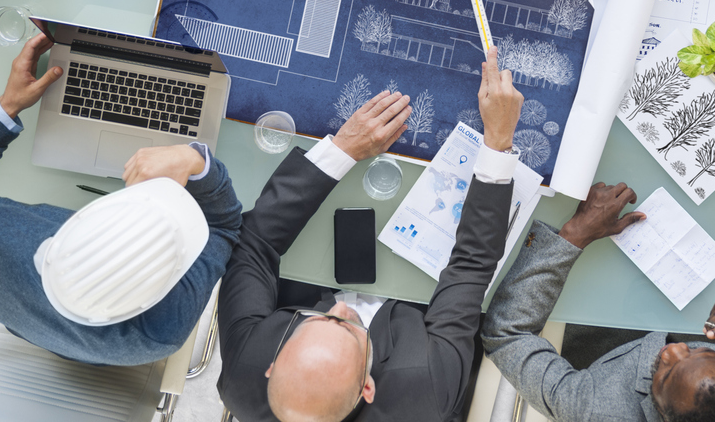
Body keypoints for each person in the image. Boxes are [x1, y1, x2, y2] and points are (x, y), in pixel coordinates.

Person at [217, 47, 524, 422]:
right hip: (423, 293)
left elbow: (253, 243)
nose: (339, 307)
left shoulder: (244, 371)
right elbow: (472, 266)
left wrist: (341, 150)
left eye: (317, 320)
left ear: (271, 367)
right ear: (368, 387)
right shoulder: (424, 391)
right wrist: (498, 143)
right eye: (346, 327)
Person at [0, 34, 242, 365]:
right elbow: (224, 226)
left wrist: (8, 106)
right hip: (70, 343)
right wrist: (195, 162)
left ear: (50, 245)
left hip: (35, 322)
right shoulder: (164, 331)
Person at [483, 182, 715, 422]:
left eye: (665, 377)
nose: (672, 351)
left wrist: (575, 234)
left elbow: (507, 334)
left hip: (603, 308)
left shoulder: (592, 408)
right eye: (702, 354)